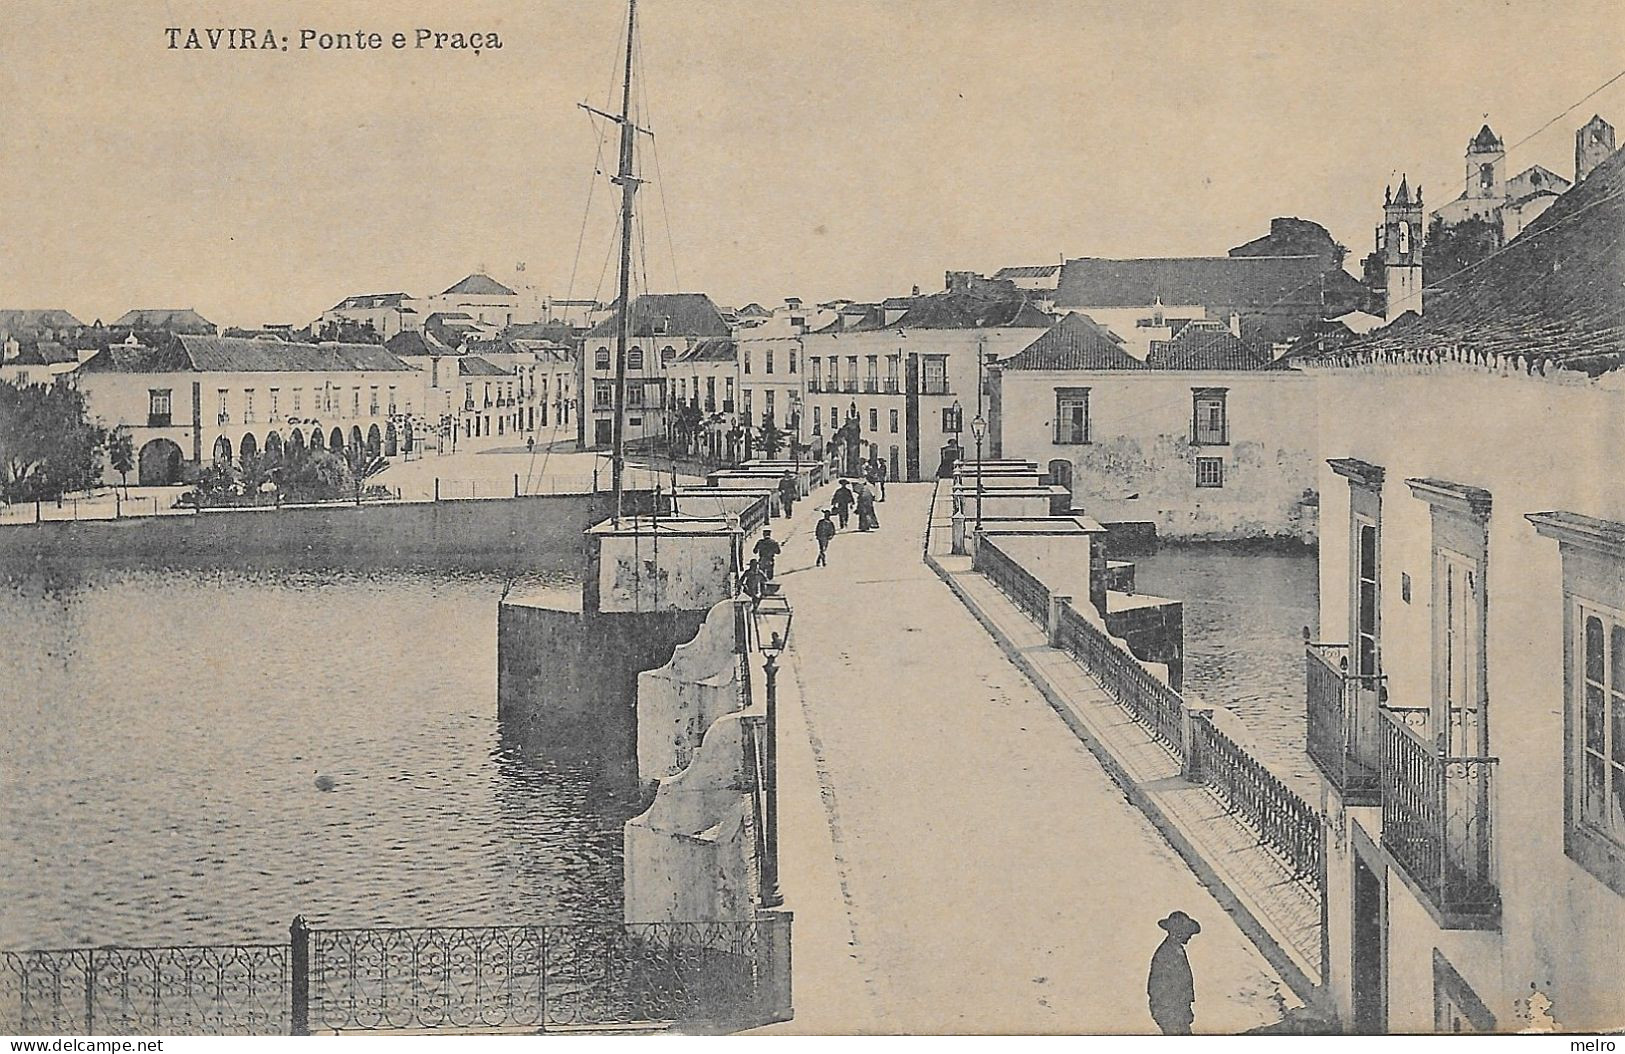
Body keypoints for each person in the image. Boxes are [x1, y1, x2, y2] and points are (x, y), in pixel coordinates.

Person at [1147, 911, 1201, 1035]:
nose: (1189, 936)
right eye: (1187, 932)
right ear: (1178, 932)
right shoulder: (1166, 952)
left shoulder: (1176, 950)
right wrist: (1174, 1011)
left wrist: (1185, 1007)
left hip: (1177, 1010)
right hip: (1170, 1011)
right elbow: (1159, 988)